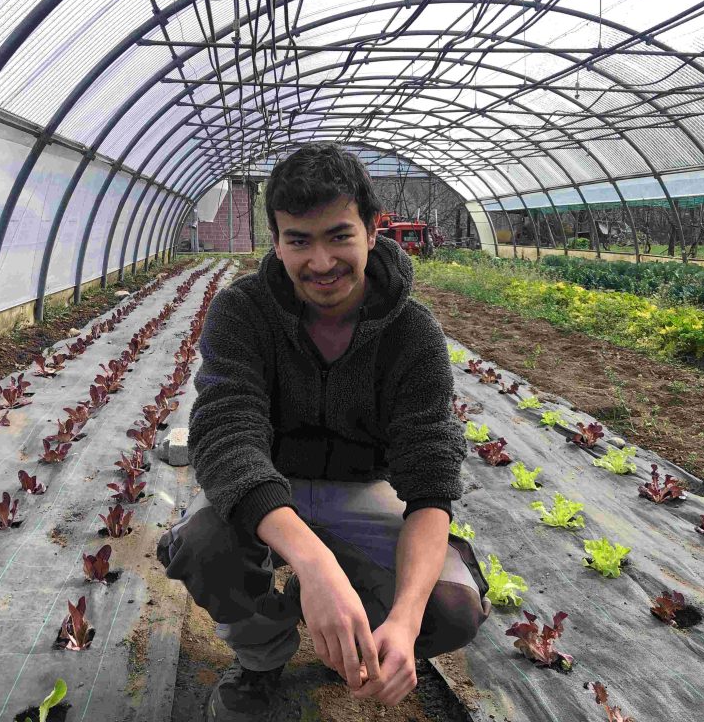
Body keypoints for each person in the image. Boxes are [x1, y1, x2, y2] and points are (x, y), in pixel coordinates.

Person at [157, 143, 490, 721]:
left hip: (363, 486)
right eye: (298, 240)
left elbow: (430, 477)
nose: (320, 262)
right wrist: (314, 565)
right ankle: (262, 658)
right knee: (202, 549)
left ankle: (362, 624)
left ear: (372, 229)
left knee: (451, 609)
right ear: (277, 240)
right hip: (270, 482)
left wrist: (406, 623)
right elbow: (228, 435)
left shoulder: (412, 333)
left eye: (338, 235)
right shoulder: (244, 311)